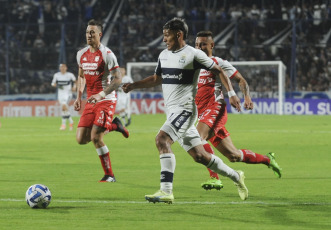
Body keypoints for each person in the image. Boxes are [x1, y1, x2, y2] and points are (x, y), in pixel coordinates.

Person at [123, 18, 248, 203]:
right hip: (173, 112)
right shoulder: (163, 55)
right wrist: (134, 85)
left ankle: (166, 191)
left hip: (186, 110)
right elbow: (158, 78)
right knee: (200, 156)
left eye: (167, 35)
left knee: (162, 139)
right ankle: (236, 176)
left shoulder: (193, 54)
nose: (164, 39)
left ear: (179, 34)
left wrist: (231, 93)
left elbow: (219, 71)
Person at [194, 31, 282, 191]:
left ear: (212, 45)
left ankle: (214, 178)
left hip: (215, 108)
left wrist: (246, 96)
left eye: (203, 44)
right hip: (203, 115)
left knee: (198, 138)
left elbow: (240, 79)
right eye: (197, 45)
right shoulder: (193, 66)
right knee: (233, 156)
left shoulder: (218, 62)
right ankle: (268, 160)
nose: (200, 48)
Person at [74, 19, 129, 183]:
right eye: (87, 32)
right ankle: (114, 125)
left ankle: (109, 175)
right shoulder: (81, 54)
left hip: (106, 99)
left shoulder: (107, 54)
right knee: (81, 139)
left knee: (96, 137)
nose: (89, 35)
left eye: (92, 32)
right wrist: (78, 97)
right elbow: (81, 76)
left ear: (100, 34)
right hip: (91, 101)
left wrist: (101, 95)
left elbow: (118, 79)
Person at [51, 63, 76, 131]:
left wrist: (74, 87)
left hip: (68, 93)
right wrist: (55, 85)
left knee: (64, 106)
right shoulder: (56, 75)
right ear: (59, 68)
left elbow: (75, 81)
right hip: (60, 94)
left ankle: (64, 124)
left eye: (64, 67)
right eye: (61, 67)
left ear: (66, 68)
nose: (62, 68)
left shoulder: (70, 75)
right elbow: (52, 83)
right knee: (64, 109)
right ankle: (70, 122)